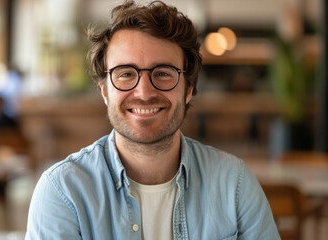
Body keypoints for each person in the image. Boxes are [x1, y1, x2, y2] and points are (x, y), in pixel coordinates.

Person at [26, 1, 280, 239]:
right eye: (125, 73)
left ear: (189, 88)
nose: (145, 92)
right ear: (105, 91)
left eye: (163, 73)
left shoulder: (234, 184)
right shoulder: (63, 191)